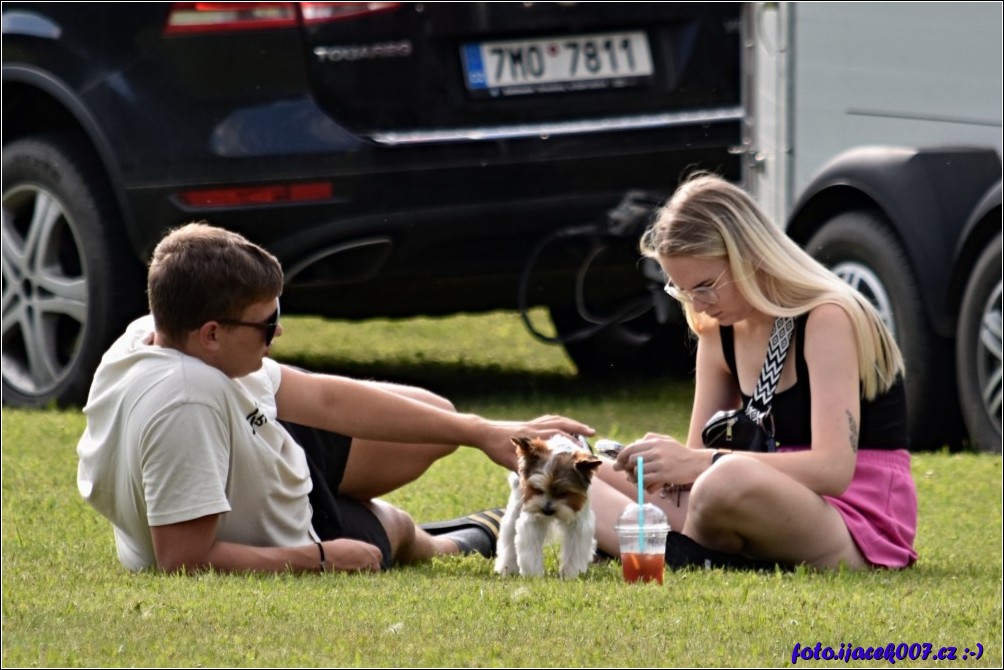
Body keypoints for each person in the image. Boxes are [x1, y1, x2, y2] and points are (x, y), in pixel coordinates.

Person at [77, 222, 594, 574]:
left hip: (262, 445)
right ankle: (470, 533)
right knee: (398, 530)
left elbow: (323, 401)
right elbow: (183, 560)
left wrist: (480, 432)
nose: (278, 333)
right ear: (212, 333)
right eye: (267, 324)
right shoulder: (188, 400)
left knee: (440, 417)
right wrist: (322, 557)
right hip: (286, 524)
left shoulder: (152, 333)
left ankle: (457, 463)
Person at [588, 173, 917, 570]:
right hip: (744, 497)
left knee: (726, 480)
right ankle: (678, 552)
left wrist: (699, 462)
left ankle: (662, 550)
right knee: (576, 466)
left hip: (851, 518)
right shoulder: (718, 329)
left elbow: (833, 470)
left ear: (748, 255)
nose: (698, 304)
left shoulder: (827, 316)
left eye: (705, 286)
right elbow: (696, 472)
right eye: (682, 290)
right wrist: (663, 464)